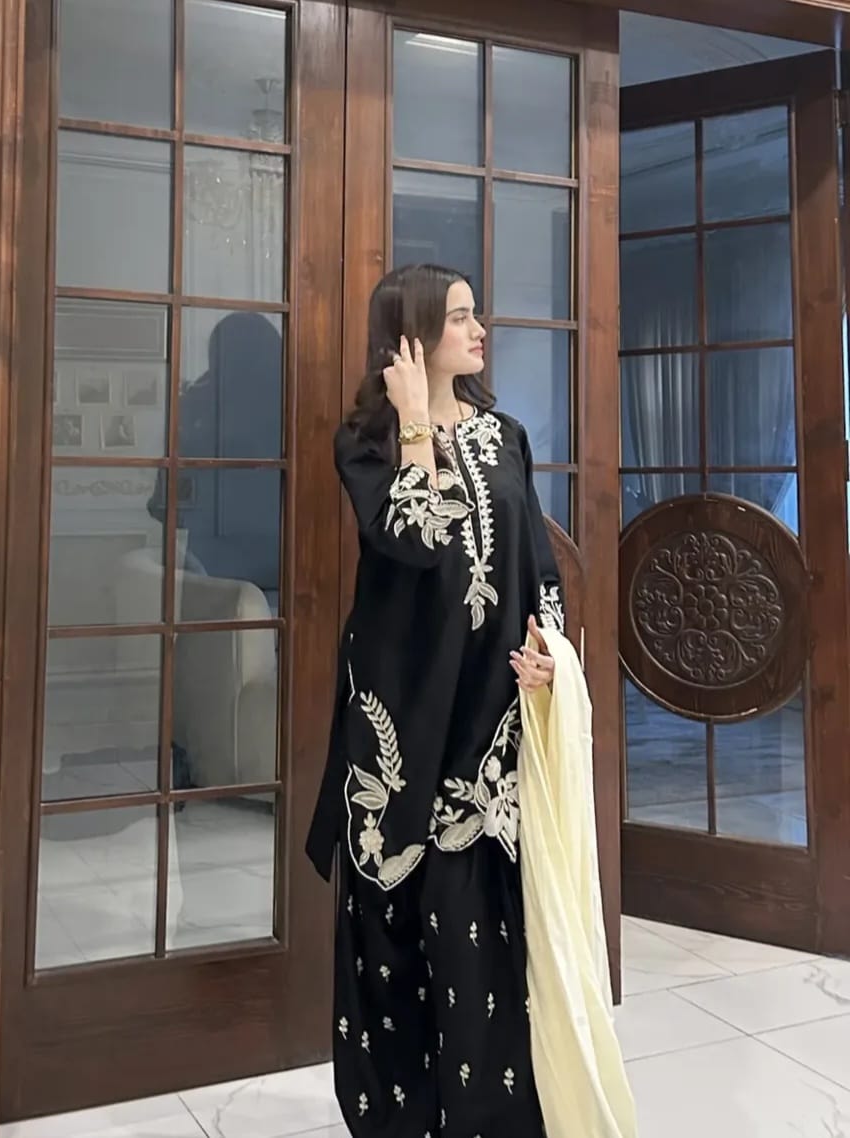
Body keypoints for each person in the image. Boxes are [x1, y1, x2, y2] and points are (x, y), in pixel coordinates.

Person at [306, 264, 564, 1138]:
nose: (479, 328)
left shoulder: (506, 436)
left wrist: (550, 653)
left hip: (488, 714)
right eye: (458, 317)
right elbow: (415, 538)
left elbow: (538, 564)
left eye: (474, 313)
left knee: (479, 932)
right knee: (392, 938)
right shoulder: (365, 443)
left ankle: (490, 1119)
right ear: (411, 336)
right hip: (401, 717)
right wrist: (416, 419)